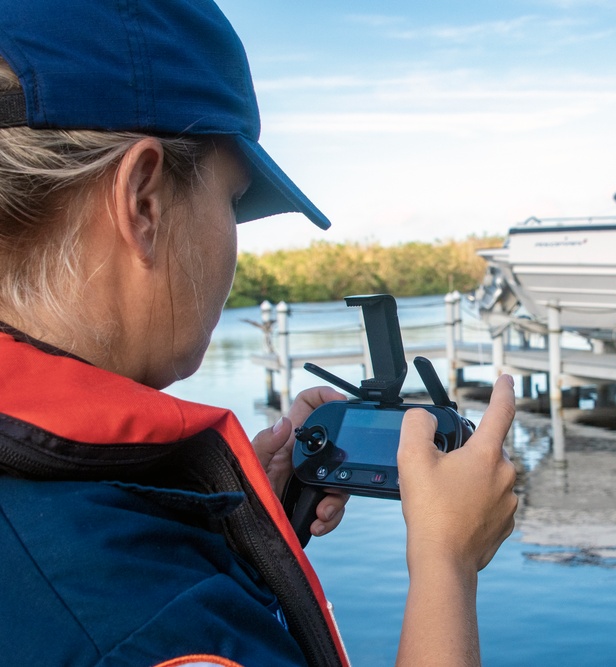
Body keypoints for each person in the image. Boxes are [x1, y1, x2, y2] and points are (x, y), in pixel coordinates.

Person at [0, 1, 518, 666]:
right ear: (144, 202)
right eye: (233, 201)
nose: (232, 241)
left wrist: (228, 530)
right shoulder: (156, 626)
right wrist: (447, 563)